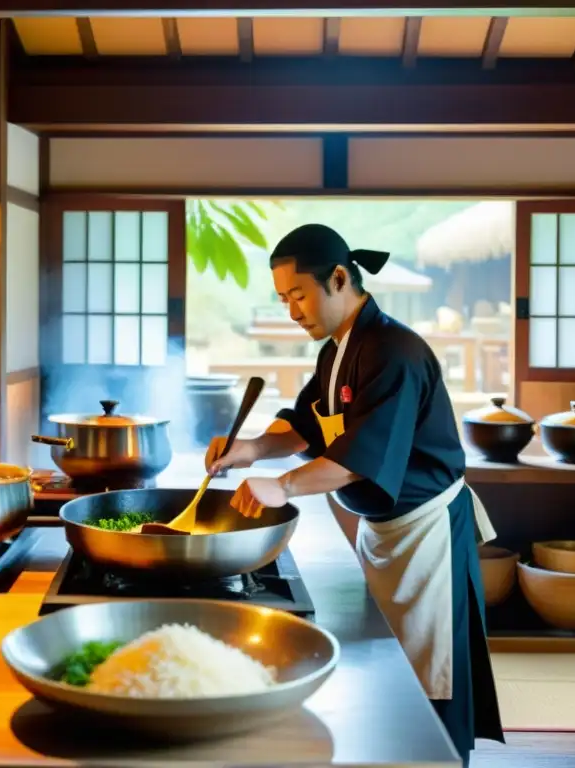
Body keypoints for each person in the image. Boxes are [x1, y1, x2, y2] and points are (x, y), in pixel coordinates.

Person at [205, 224, 504, 766]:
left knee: (430, 677)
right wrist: (248, 449)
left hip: (428, 534)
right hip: (389, 534)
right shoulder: (338, 350)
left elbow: (356, 458)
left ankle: (438, 758)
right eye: (283, 299)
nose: (292, 311)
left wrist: (284, 484)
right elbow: (308, 427)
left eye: (298, 295)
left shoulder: (394, 350)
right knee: (394, 673)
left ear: (339, 278)